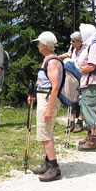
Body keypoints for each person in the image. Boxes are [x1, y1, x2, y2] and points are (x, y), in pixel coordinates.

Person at [28, 31, 62, 182]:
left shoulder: (52, 61)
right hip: (44, 97)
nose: (37, 46)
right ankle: (48, 162)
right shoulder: (49, 59)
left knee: (45, 133)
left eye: (39, 43)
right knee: (44, 131)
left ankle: (54, 167)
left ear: (43, 45)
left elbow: (55, 87)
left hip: (48, 99)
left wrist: (49, 108)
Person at [77, 24, 96, 151]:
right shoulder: (88, 46)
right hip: (86, 82)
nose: (80, 35)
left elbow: (92, 66)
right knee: (86, 108)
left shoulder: (95, 46)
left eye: (82, 33)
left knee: (91, 108)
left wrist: (77, 71)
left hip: (91, 82)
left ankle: (94, 139)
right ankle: (91, 136)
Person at [59, 31, 84, 132]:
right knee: (72, 99)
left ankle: (80, 121)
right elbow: (68, 54)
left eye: (73, 41)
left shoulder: (85, 49)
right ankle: (72, 121)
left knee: (82, 100)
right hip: (72, 77)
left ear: (79, 42)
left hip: (83, 77)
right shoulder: (73, 48)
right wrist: (58, 57)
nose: (71, 43)